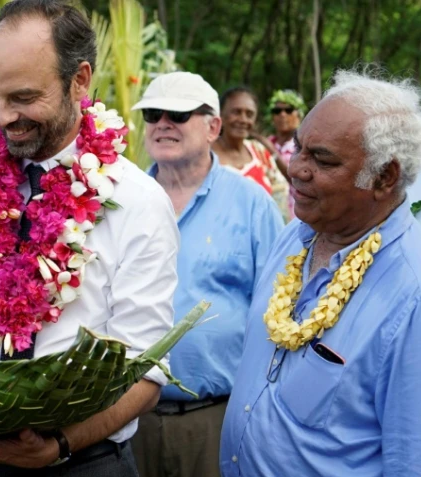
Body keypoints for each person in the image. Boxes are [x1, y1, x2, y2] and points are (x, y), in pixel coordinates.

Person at [0, 1, 179, 475]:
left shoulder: (139, 200)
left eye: (24, 97)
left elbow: (145, 369)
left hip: (83, 461)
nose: (4, 117)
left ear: (80, 80)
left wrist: (59, 444)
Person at [220, 69, 421, 476]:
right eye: (298, 149)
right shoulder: (294, 237)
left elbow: (411, 460)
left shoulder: (414, 298)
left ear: (384, 177)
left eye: (322, 159)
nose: (296, 169)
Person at [128, 72, 284, 477]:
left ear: (213, 126)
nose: (162, 123)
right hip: (123, 421)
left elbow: (279, 313)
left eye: (177, 114)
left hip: (215, 418)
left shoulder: (253, 203)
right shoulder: (121, 200)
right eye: (152, 114)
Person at [212, 87, 290, 219]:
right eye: (236, 112)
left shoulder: (260, 153)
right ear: (220, 115)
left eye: (249, 114)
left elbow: (279, 201)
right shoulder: (204, 157)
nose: (243, 120)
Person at [268, 89, 308, 220]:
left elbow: (297, 180)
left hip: (295, 219)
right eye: (277, 111)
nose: (282, 115)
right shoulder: (265, 144)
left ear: (299, 115)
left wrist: (271, 152)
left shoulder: (304, 146)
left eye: (289, 110)